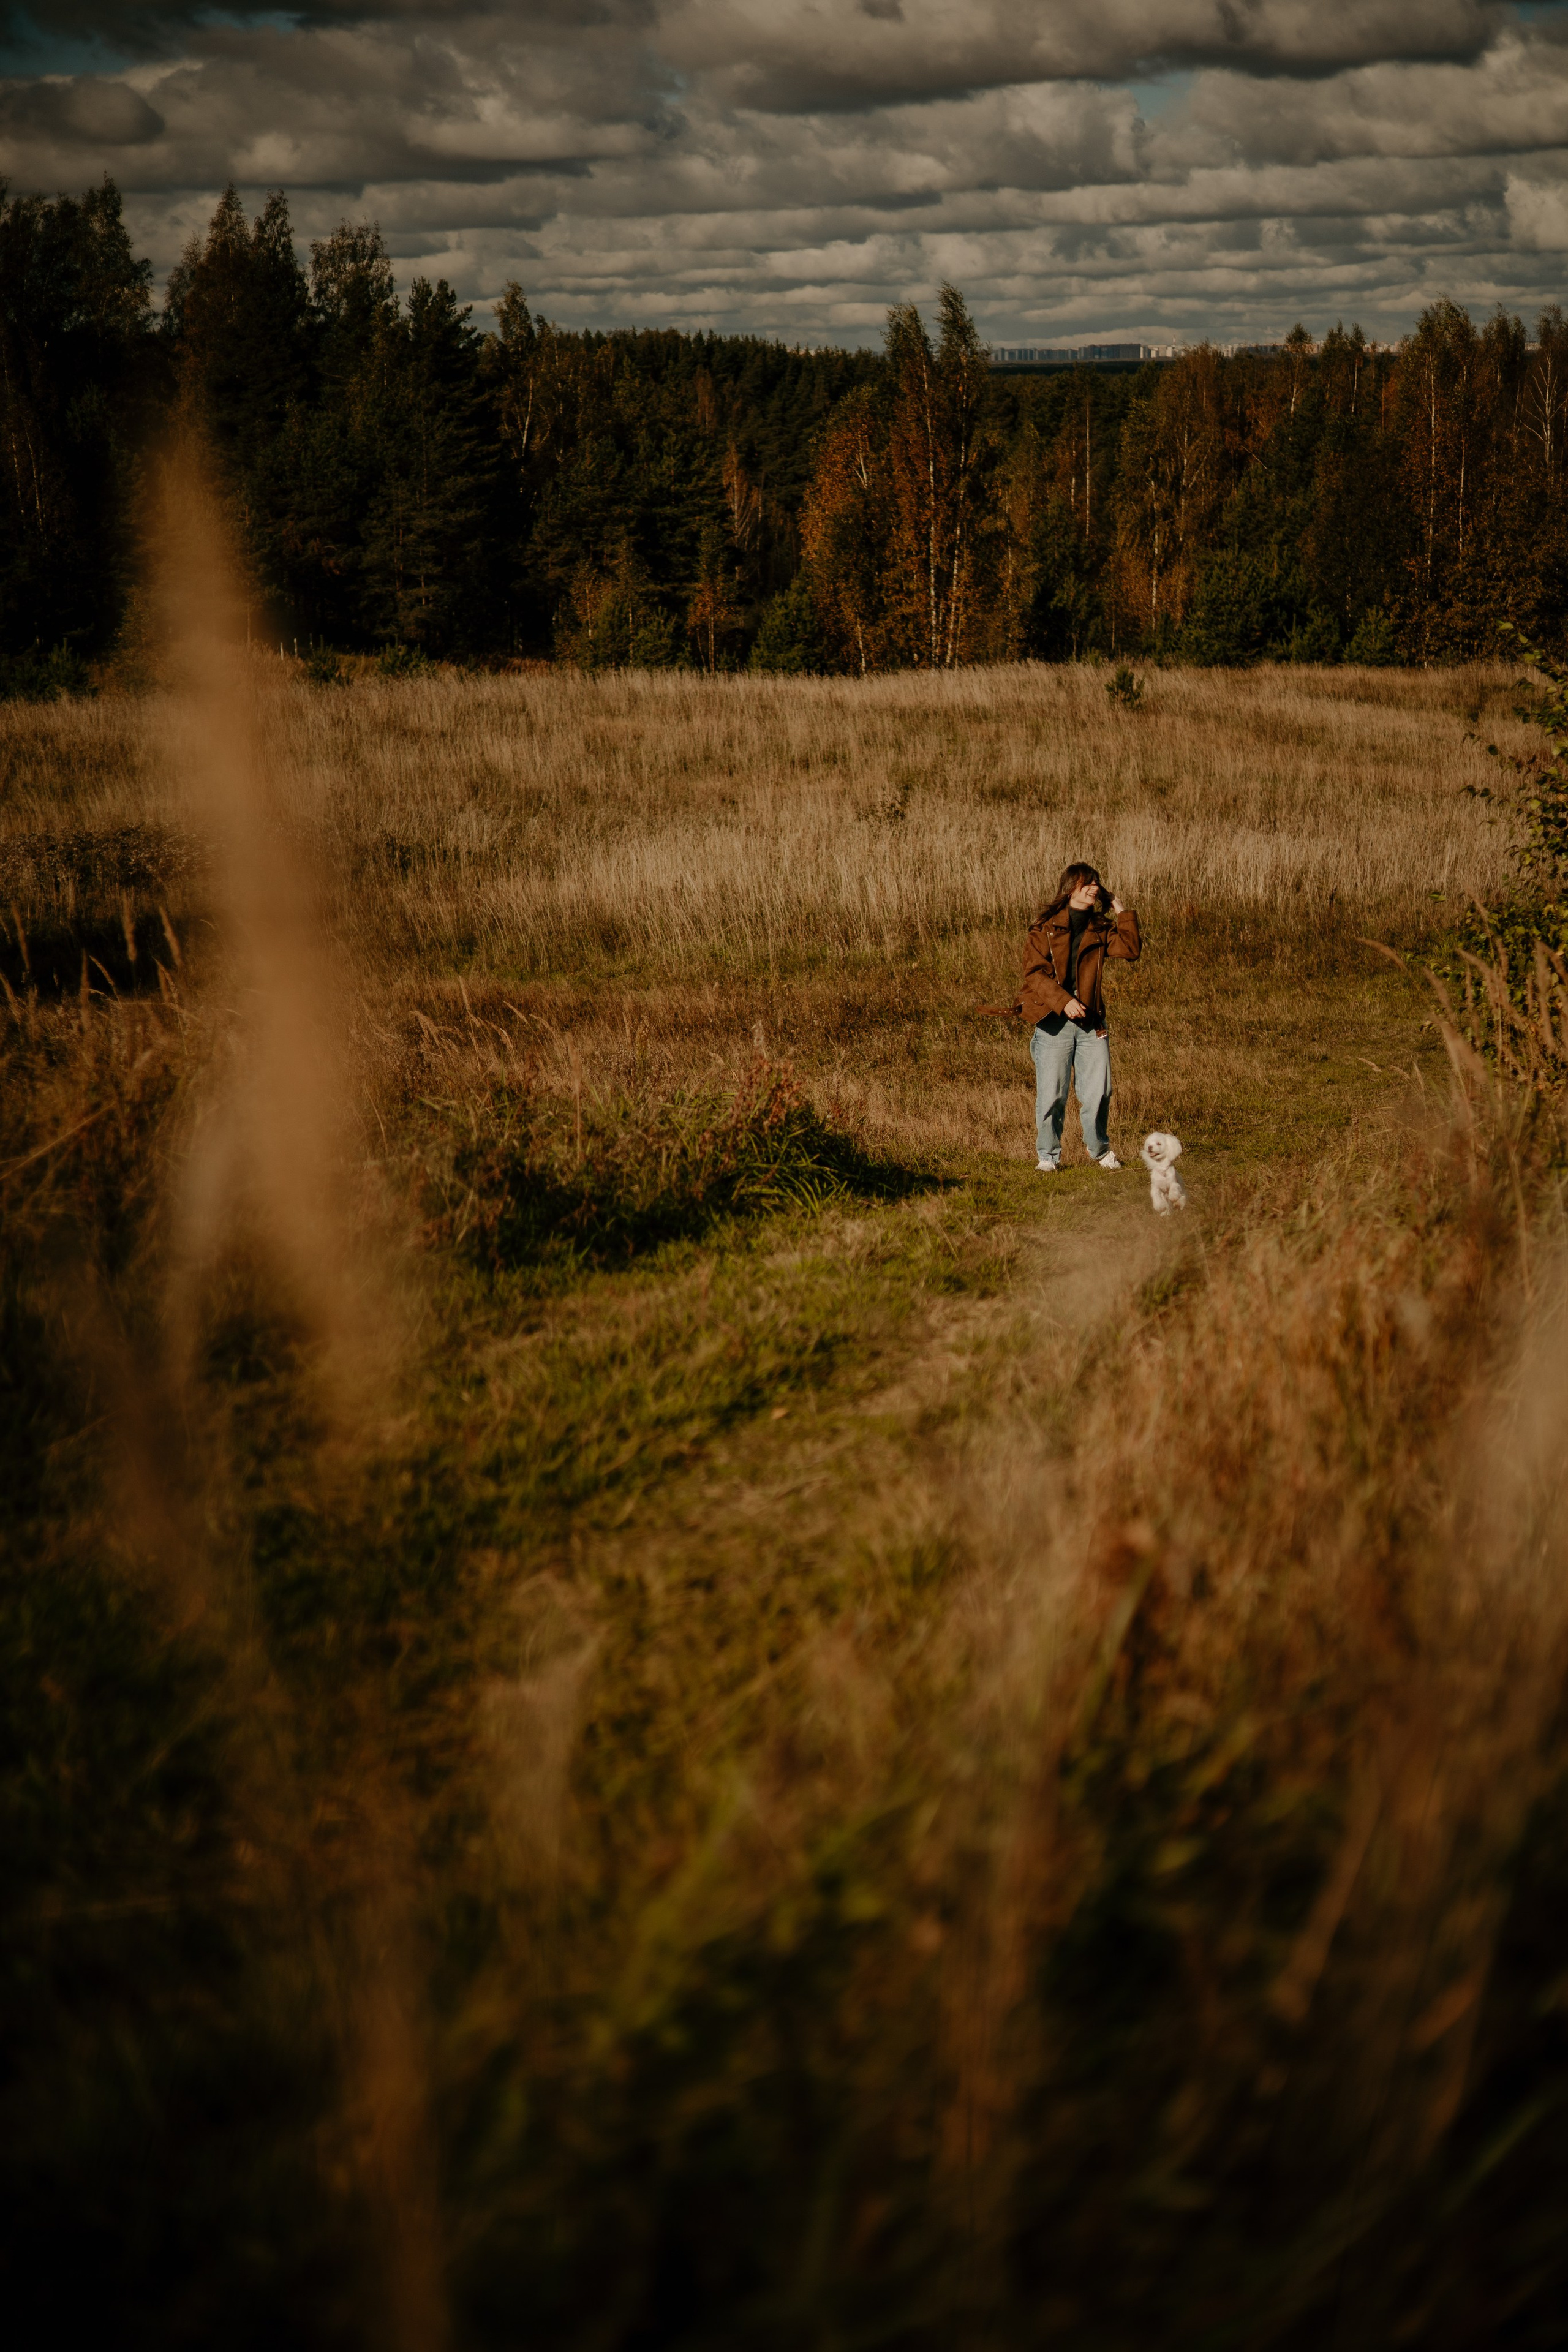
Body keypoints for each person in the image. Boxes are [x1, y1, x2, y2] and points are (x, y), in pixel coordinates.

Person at [1016, 862, 1141, 1173]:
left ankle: (1099, 1150)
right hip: (1053, 1022)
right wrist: (1064, 1001)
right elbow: (1033, 973)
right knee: (1052, 1093)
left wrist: (1118, 907)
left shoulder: (1100, 929)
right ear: (1072, 887)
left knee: (1100, 1091)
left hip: (1091, 1023)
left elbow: (1131, 948)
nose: (1094, 888)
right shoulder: (1044, 928)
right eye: (1088, 883)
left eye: (1097, 883)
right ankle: (1048, 1156)